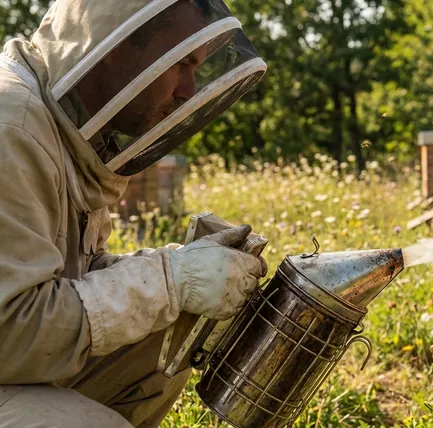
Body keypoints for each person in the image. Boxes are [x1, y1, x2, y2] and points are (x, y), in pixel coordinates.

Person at [0, 0, 269, 426]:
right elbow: (10, 331)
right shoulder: (10, 127)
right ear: (115, 44)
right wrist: (168, 281)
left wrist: (176, 269)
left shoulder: (69, 130)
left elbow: (75, 275)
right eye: (181, 63)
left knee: (169, 332)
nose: (188, 89)